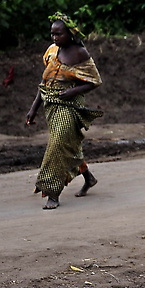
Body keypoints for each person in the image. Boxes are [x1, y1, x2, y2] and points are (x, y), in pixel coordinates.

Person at [25, 12, 103, 209]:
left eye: (58, 34)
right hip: (51, 105)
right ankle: (89, 178)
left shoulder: (80, 54)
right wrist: (34, 109)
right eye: (52, 34)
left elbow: (95, 81)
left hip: (70, 107)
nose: (54, 38)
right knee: (68, 146)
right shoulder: (52, 51)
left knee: (58, 145)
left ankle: (53, 193)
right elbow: (44, 83)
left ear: (70, 33)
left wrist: (73, 91)